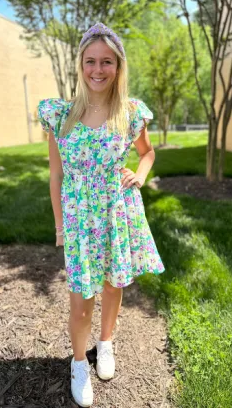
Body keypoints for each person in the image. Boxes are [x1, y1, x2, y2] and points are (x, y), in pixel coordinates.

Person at [37, 22, 165, 408]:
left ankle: (105, 344)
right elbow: (56, 174)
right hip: (78, 217)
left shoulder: (129, 113)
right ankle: (79, 364)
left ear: (118, 66)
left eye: (106, 61)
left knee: (113, 285)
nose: (97, 69)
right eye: (90, 61)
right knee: (80, 298)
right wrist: (60, 225)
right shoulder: (61, 115)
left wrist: (139, 177)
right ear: (80, 64)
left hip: (116, 213)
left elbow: (147, 153)